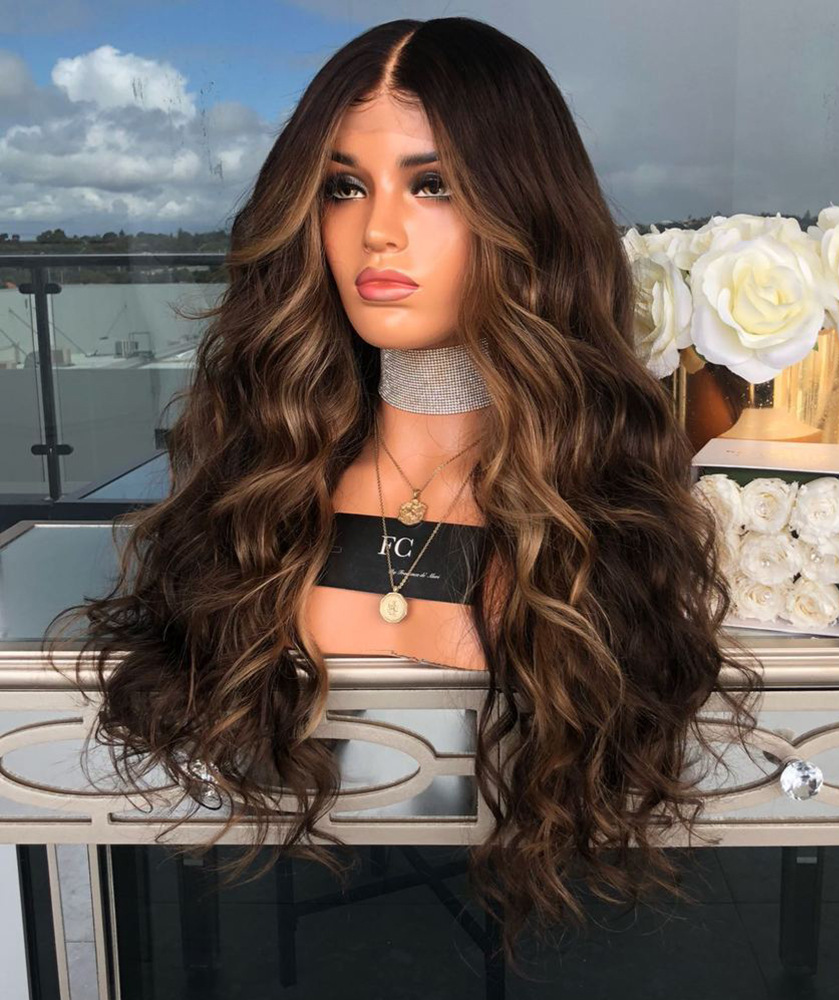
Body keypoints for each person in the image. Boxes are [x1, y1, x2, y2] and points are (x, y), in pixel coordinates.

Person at [45, 16, 763, 963]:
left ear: (525, 210)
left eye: (434, 186)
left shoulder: (601, 513)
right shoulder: (261, 492)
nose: (376, 231)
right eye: (344, 187)